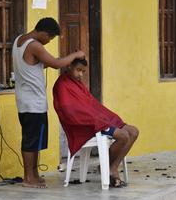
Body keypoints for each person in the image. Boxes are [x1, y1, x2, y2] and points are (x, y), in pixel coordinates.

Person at [12, 17, 85, 188]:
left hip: (24, 100)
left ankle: (33, 175)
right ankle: (29, 178)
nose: (48, 42)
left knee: (32, 140)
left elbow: (35, 65)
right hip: (33, 103)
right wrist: (75, 55)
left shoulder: (19, 41)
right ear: (44, 32)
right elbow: (55, 64)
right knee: (31, 142)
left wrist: (62, 59)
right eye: (50, 38)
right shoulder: (34, 45)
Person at [53, 58, 139, 188]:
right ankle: (112, 169)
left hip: (95, 121)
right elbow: (69, 112)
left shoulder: (77, 83)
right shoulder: (62, 85)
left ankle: (108, 166)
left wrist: (104, 118)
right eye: (78, 70)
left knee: (133, 131)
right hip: (84, 126)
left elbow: (91, 105)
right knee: (123, 136)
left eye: (83, 71)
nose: (81, 74)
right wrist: (94, 120)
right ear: (69, 66)